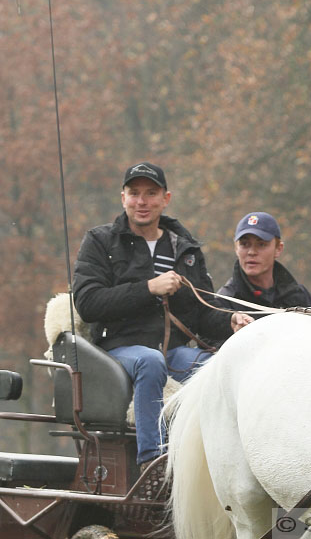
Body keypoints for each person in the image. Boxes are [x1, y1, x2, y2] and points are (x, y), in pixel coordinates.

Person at [72, 161, 252, 470]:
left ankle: (222, 462)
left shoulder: (186, 249)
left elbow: (202, 313)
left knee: (220, 367)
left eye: (151, 193)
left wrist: (230, 320)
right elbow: (88, 303)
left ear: (165, 199)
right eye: (134, 193)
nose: (142, 202)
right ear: (123, 197)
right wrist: (148, 288)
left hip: (176, 351)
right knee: (149, 361)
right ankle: (152, 464)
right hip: (120, 350)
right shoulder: (100, 241)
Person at [216, 211, 311, 315]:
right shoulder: (224, 303)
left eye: (261, 244)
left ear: (278, 249)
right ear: (236, 248)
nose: (251, 252)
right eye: (244, 244)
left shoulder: (298, 295)